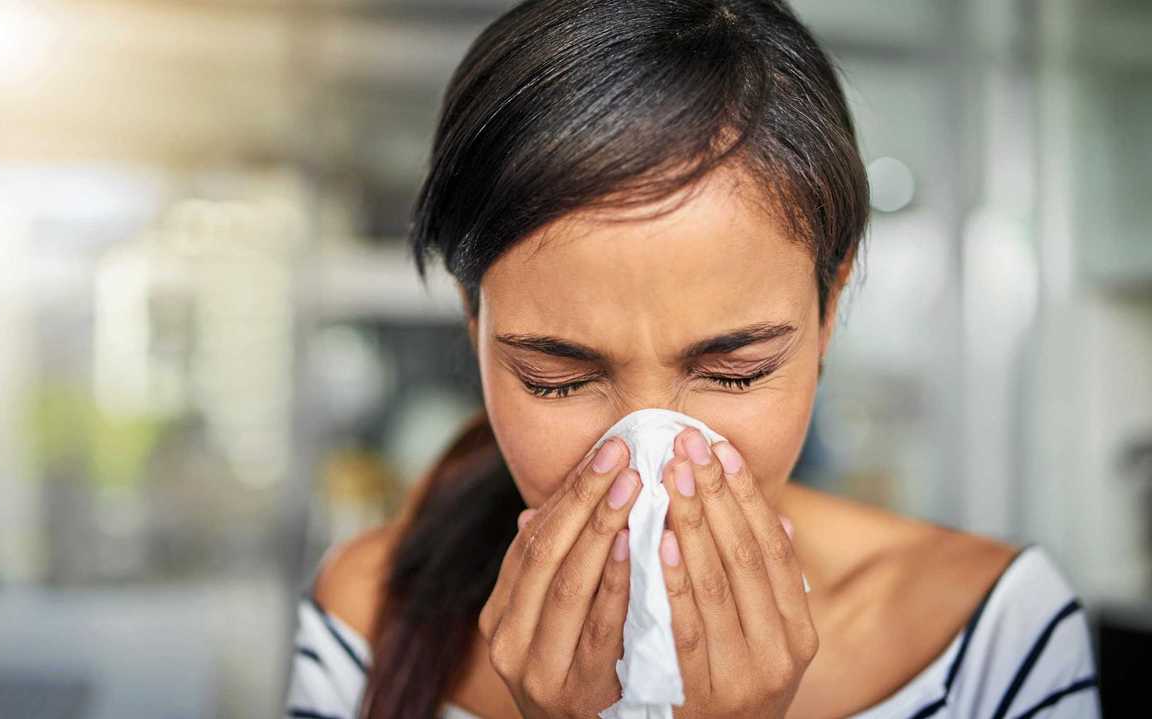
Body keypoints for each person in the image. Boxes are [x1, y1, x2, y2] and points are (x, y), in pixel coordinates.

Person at [285, 1, 1100, 717]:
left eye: (735, 371)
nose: (648, 465)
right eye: (557, 379)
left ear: (827, 307)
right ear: (474, 324)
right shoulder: (369, 615)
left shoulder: (991, 635)